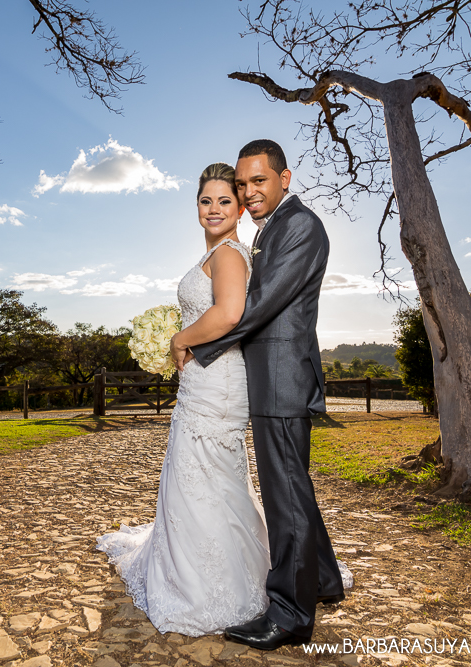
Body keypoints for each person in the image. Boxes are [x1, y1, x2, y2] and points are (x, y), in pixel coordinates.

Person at [173, 139, 348, 650]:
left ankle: (291, 616)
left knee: (285, 497)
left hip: (282, 377)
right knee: (294, 489)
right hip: (271, 376)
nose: (248, 193)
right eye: (242, 184)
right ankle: (322, 580)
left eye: (258, 182)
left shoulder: (299, 225)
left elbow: (258, 305)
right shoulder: (270, 229)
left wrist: (194, 345)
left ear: (284, 179)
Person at [96, 163, 271, 637]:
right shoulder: (217, 254)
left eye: (224, 202)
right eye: (205, 201)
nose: (214, 210)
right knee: (200, 477)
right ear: (196, 206)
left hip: (218, 380)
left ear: (239, 208)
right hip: (204, 380)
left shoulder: (230, 254)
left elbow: (229, 313)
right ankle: (198, 569)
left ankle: (213, 588)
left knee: (208, 476)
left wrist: (178, 340)